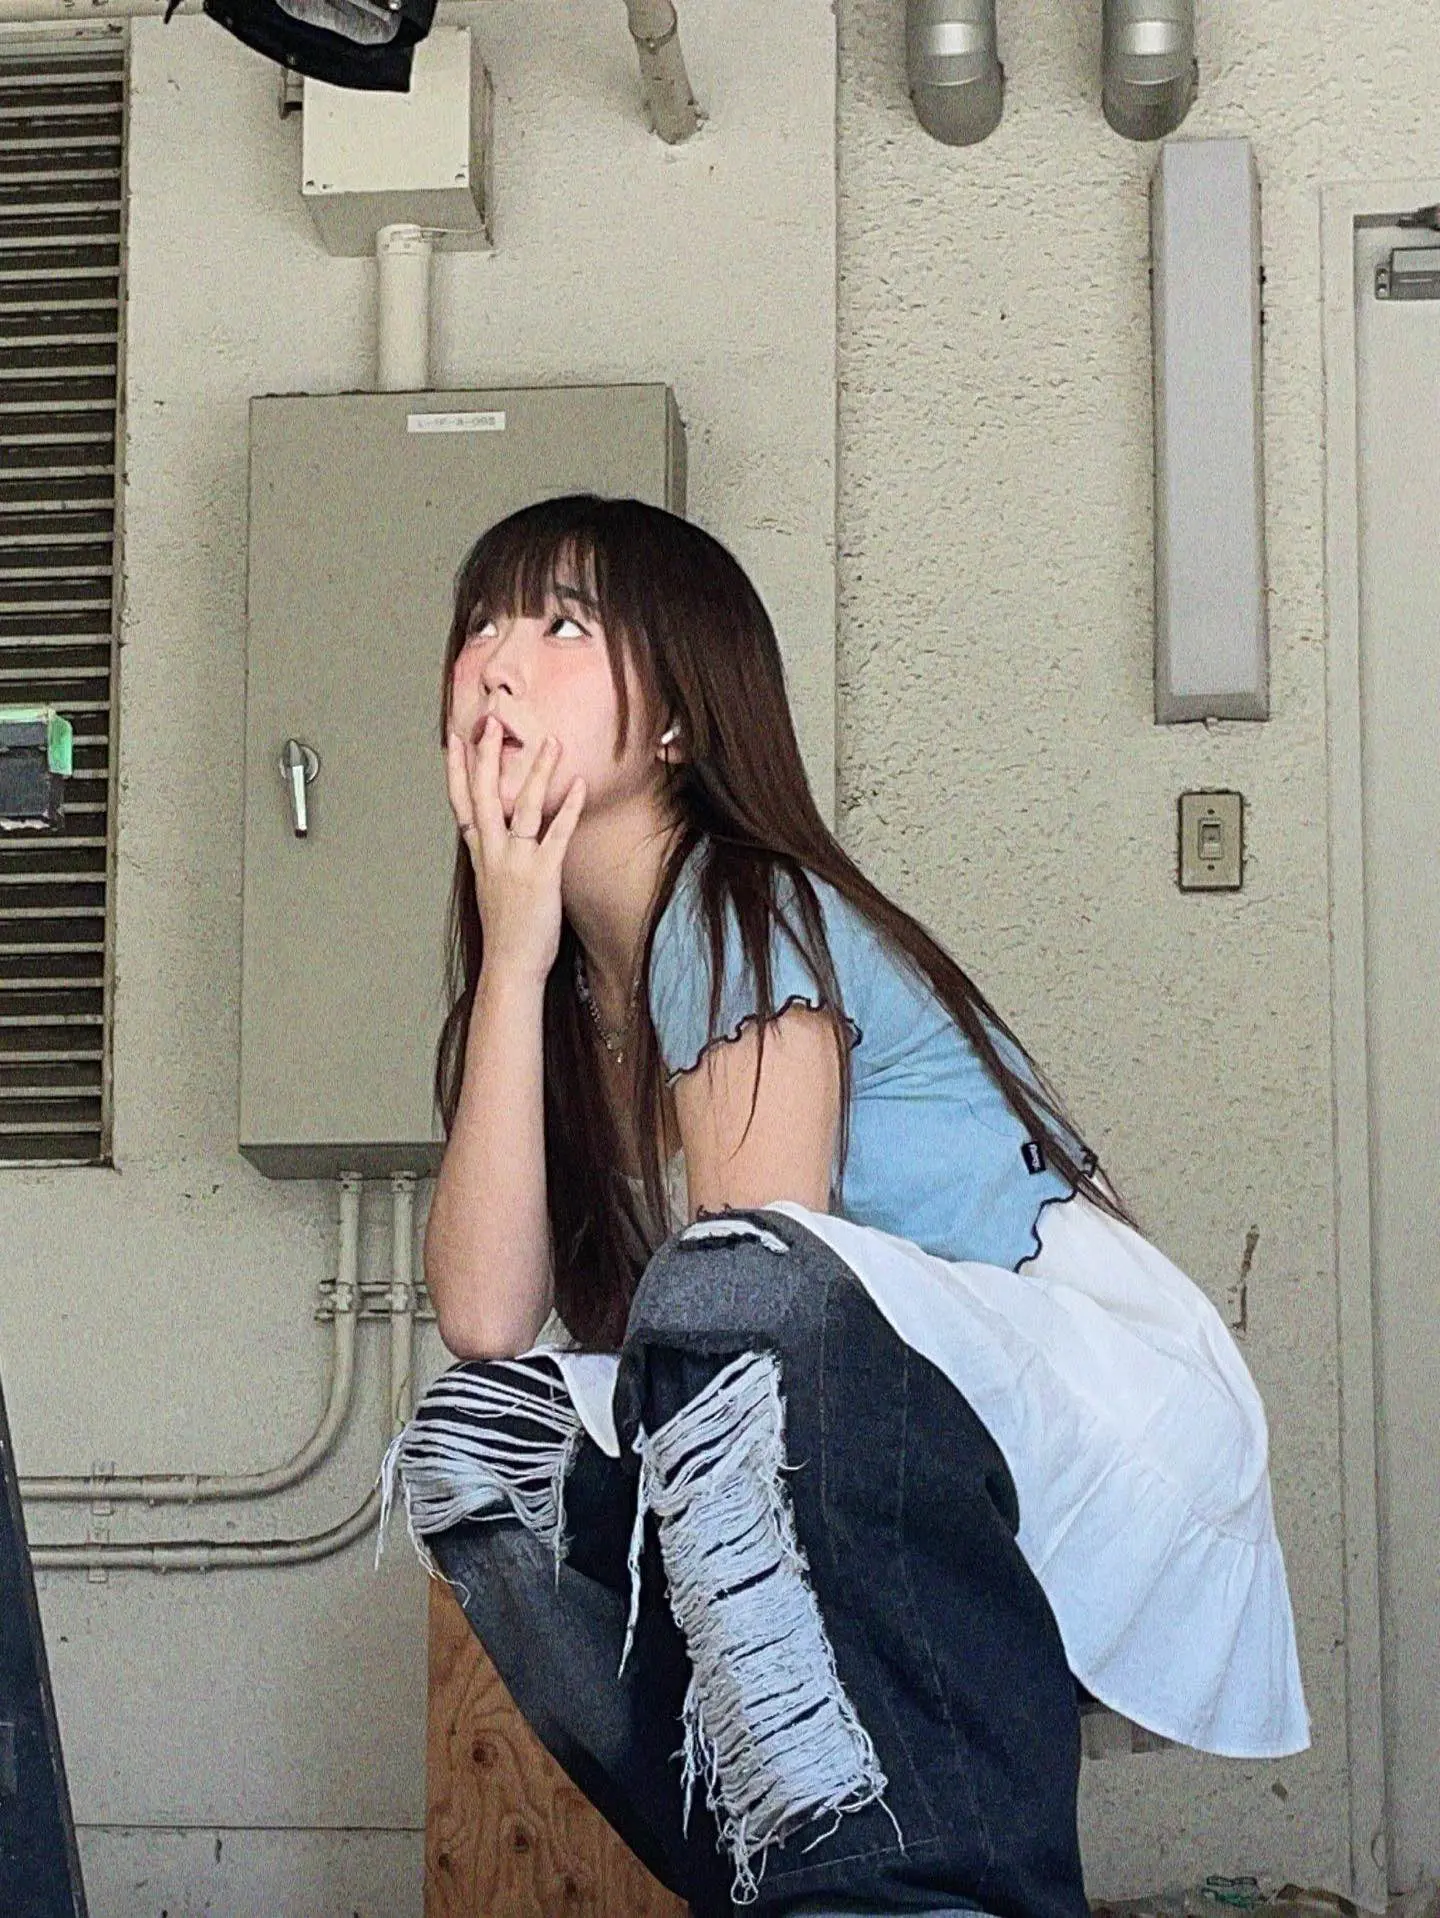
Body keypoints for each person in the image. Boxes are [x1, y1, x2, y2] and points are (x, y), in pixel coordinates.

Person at [380, 495, 1308, 1918]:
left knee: (729, 1291)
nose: (499, 660)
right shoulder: (554, 990)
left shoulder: (737, 901)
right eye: (482, 623)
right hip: (865, 1408)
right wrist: (513, 958)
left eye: (562, 623)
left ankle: (904, 1883)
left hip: (1079, 1390)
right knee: (482, 1439)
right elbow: (488, 1319)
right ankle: (777, 1848)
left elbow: (759, 1264)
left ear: (677, 720)